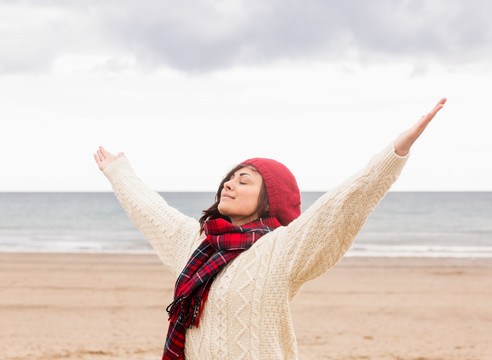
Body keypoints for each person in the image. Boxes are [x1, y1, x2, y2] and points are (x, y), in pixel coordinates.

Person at [94, 98, 446, 360]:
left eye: (243, 181)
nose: (228, 185)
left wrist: (396, 151)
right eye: (228, 179)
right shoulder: (197, 244)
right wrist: (118, 172)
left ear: (268, 199)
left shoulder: (281, 250)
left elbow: (343, 206)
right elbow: (152, 211)